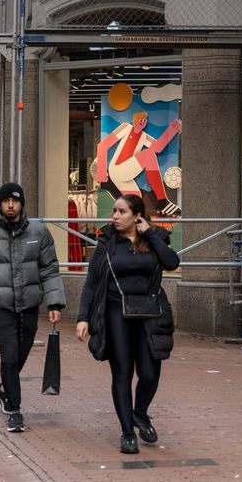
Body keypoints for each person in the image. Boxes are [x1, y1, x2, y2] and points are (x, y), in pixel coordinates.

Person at [76, 194, 179, 453]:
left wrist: (152, 235)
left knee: (149, 373)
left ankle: (140, 413)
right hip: (115, 311)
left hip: (149, 311)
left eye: (122, 212)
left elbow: (171, 262)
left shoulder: (155, 238)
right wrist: (82, 317)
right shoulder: (106, 242)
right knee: (122, 372)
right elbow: (91, 283)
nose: (115, 216)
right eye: (114, 211)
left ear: (137, 216)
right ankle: (127, 432)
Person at [0, 181, 66, 433]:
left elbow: (49, 269)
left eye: (15, 201)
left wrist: (55, 302)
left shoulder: (39, 233)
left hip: (30, 303)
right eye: (6, 201)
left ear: (22, 203)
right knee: (9, 354)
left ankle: (4, 388)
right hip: (1, 304)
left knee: (22, 352)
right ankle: (15, 409)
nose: (10, 205)